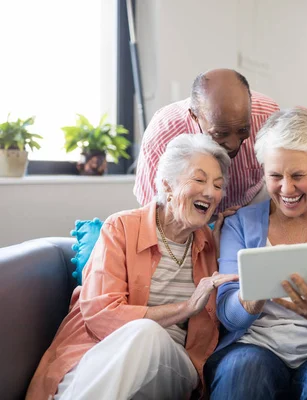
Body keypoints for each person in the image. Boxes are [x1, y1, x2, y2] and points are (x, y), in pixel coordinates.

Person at [26, 134, 239, 400]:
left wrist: (231, 235)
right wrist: (186, 308)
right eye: (199, 179)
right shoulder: (121, 229)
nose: (210, 192)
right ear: (167, 185)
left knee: (145, 333)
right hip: (101, 353)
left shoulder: (214, 245)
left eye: (217, 185)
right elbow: (102, 315)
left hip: (172, 367)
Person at [204, 108, 307, 400]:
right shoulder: (239, 224)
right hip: (255, 346)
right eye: (275, 176)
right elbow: (228, 314)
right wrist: (251, 299)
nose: (287, 188)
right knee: (242, 372)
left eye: (298, 175)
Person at [134, 68, 279, 213]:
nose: (233, 144)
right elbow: (153, 208)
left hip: (250, 207)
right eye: (220, 133)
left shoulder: (267, 116)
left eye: (243, 130)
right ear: (194, 116)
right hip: (188, 215)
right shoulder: (162, 133)